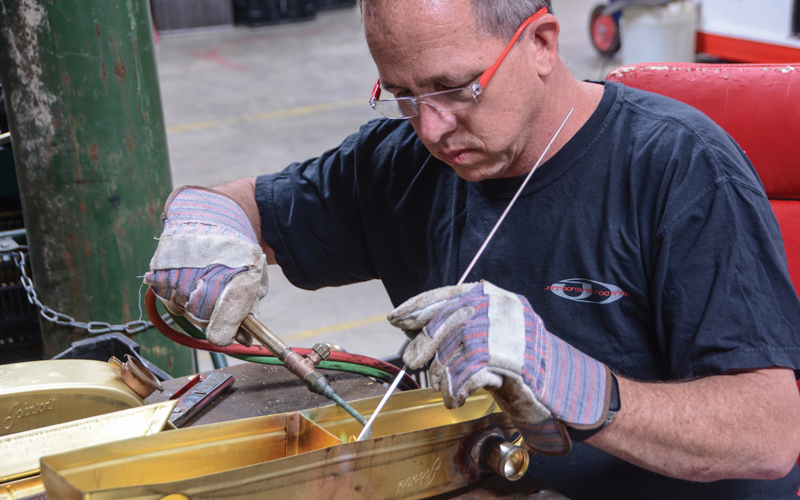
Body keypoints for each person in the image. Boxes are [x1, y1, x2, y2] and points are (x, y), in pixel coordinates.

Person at [145, 0, 800, 498]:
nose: (431, 127)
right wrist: (206, 220)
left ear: (542, 43)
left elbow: (769, 434)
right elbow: (250, 203)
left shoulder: (681, 172)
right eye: (402, 95)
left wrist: (580, 387)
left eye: (456, 87)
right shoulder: (404, 166)